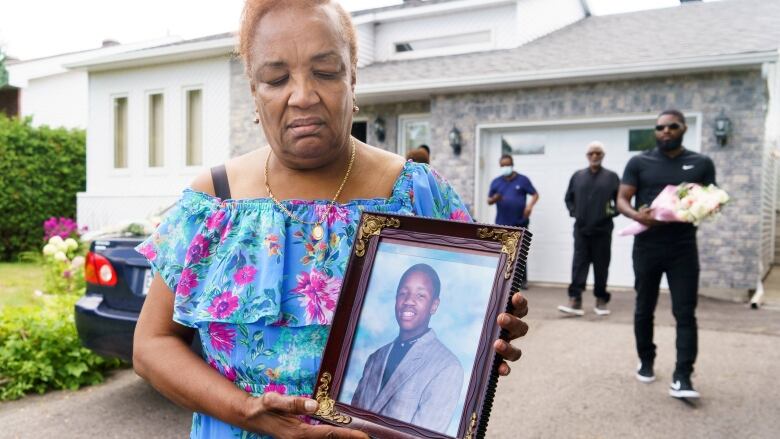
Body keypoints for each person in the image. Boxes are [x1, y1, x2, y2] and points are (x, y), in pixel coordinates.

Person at [131, 2, 530, 438]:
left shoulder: (414, 192)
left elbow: (465, 321)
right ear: (254, 91)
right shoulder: (214, 202)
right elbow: (152, 346)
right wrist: (247, 410)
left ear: (352, 78)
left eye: (325, 71)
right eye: (276, 78)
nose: (302, 95)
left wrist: (488, 333)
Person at [617, 109, 715, 400]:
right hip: (647, 246)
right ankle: (646, 359)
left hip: (683, 247)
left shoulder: (701, 163)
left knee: (685, 312)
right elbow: (622, 198)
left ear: (683, 128)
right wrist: (637, 215)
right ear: (655, 131)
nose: (666, 131)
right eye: (660, 127)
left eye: (672, 126)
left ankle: (683, 376)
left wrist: (698, 207)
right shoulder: (639, 162)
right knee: (643, 307)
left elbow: (711, 199)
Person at [351, 264, 463, 433]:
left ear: (434, 305)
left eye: (420, 295)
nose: (409, 301)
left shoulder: (447, 367)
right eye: (403, 293)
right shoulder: (375, 358)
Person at [559, 141, 620, 316]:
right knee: (579, 264)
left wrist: (611, 213)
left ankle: (601, 300)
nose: (595, 156)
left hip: (603, 230)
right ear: (587, 156)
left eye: (598, 153)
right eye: (591, 153)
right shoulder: (577, 176)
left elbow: (620, 201)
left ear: (603, 155)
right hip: (581, 230)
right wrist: (574, 212)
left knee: (601, 265)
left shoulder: (612, 177)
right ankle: (575, 300)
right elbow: (568, 198)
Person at [488, 154, 538, 289]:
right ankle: (503, 280)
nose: (505, 167)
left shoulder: (523, 180)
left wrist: (529, 206)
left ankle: (522, 281)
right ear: (500, 166)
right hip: (502, 223)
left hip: (520, 222)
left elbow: (535, 194)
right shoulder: (496, 182)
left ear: (512, 164)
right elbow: (489, 201)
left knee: (520, 252)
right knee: (504, 251)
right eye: (502, 165)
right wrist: (495, 198)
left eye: (507, 165)